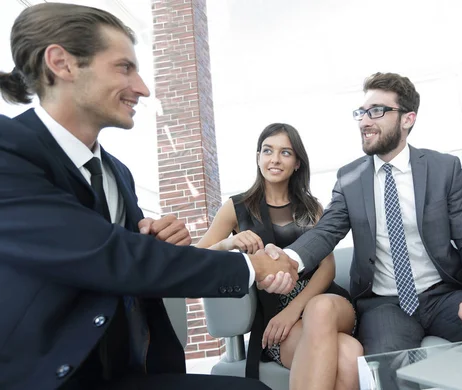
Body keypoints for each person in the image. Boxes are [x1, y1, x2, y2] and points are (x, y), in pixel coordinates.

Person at [0, 3, 298, 390]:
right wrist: (249, 267)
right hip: (51, 377)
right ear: (62, 63)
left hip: (130, 371)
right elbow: (107, 255)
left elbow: (125, 262)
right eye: (124, 67)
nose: (142, 87)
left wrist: (150, 244)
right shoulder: (9, 152)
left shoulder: (116, 172)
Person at [262, 72, 462, 389]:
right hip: (385, 305)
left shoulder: (443, 169)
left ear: (408, 119)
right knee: (386, 373)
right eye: (362, 112)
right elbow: (326, 231)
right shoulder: (350, 178)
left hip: (445, 296)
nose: (365, 121)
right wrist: (289, 259)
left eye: (377, 111)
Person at [197, 123, 363, 390]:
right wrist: (229, 243)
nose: (274, 159)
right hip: (275, 318)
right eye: (267, 151)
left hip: (327, 303)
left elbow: (327, 268)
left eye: (285, 152)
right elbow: (196, 259)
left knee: (319, 310)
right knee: (349, 354)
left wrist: (294, 310)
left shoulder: (312, 207)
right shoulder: (235, 208)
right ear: (258, 157)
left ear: (297, 162)